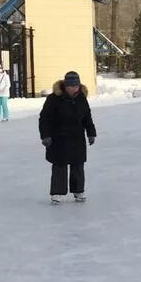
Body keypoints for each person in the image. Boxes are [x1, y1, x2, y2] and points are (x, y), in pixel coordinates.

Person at [39, 71, 96, 204]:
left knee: (78, 165)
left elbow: (87, 117)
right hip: (59, 138)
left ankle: (78, 191)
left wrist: (91, 133)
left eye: (76, 86)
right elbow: (44, 119)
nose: (74, 89)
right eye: (71, 86)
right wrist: (45, 135)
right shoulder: (54, 99)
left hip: (77, 137)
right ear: (65, 86)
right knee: (60, 165)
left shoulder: (81, 98)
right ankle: (57, 193)